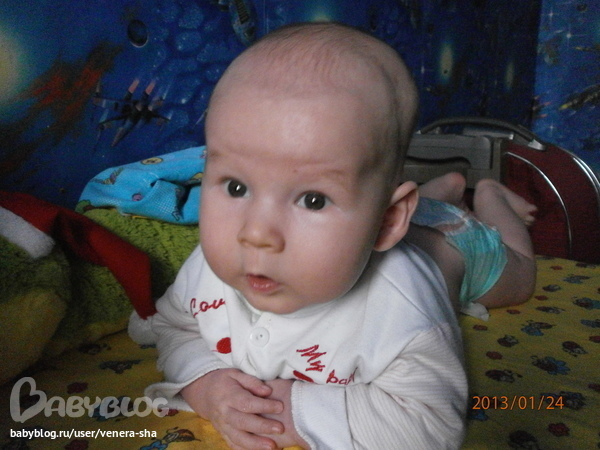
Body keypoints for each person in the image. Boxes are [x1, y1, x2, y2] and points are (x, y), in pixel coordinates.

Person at [135, 22, 480, 449]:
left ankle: (486, 198)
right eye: (236, 187)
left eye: (313, 200)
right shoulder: (210, 267)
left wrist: (294, 410)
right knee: (430, 215)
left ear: (388, 220)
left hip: (456, 248)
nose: (256, 234)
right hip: (410, 221)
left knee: (513, 276)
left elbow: (433, 424)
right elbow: (174, 327)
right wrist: (205, 382)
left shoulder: (405, 314)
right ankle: (442, 190)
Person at [407, 171, 537, 319]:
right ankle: (450, 186)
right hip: (421, 208)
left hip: (469, 246)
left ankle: (491, 193)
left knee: (524, 272)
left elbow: (441, 324)